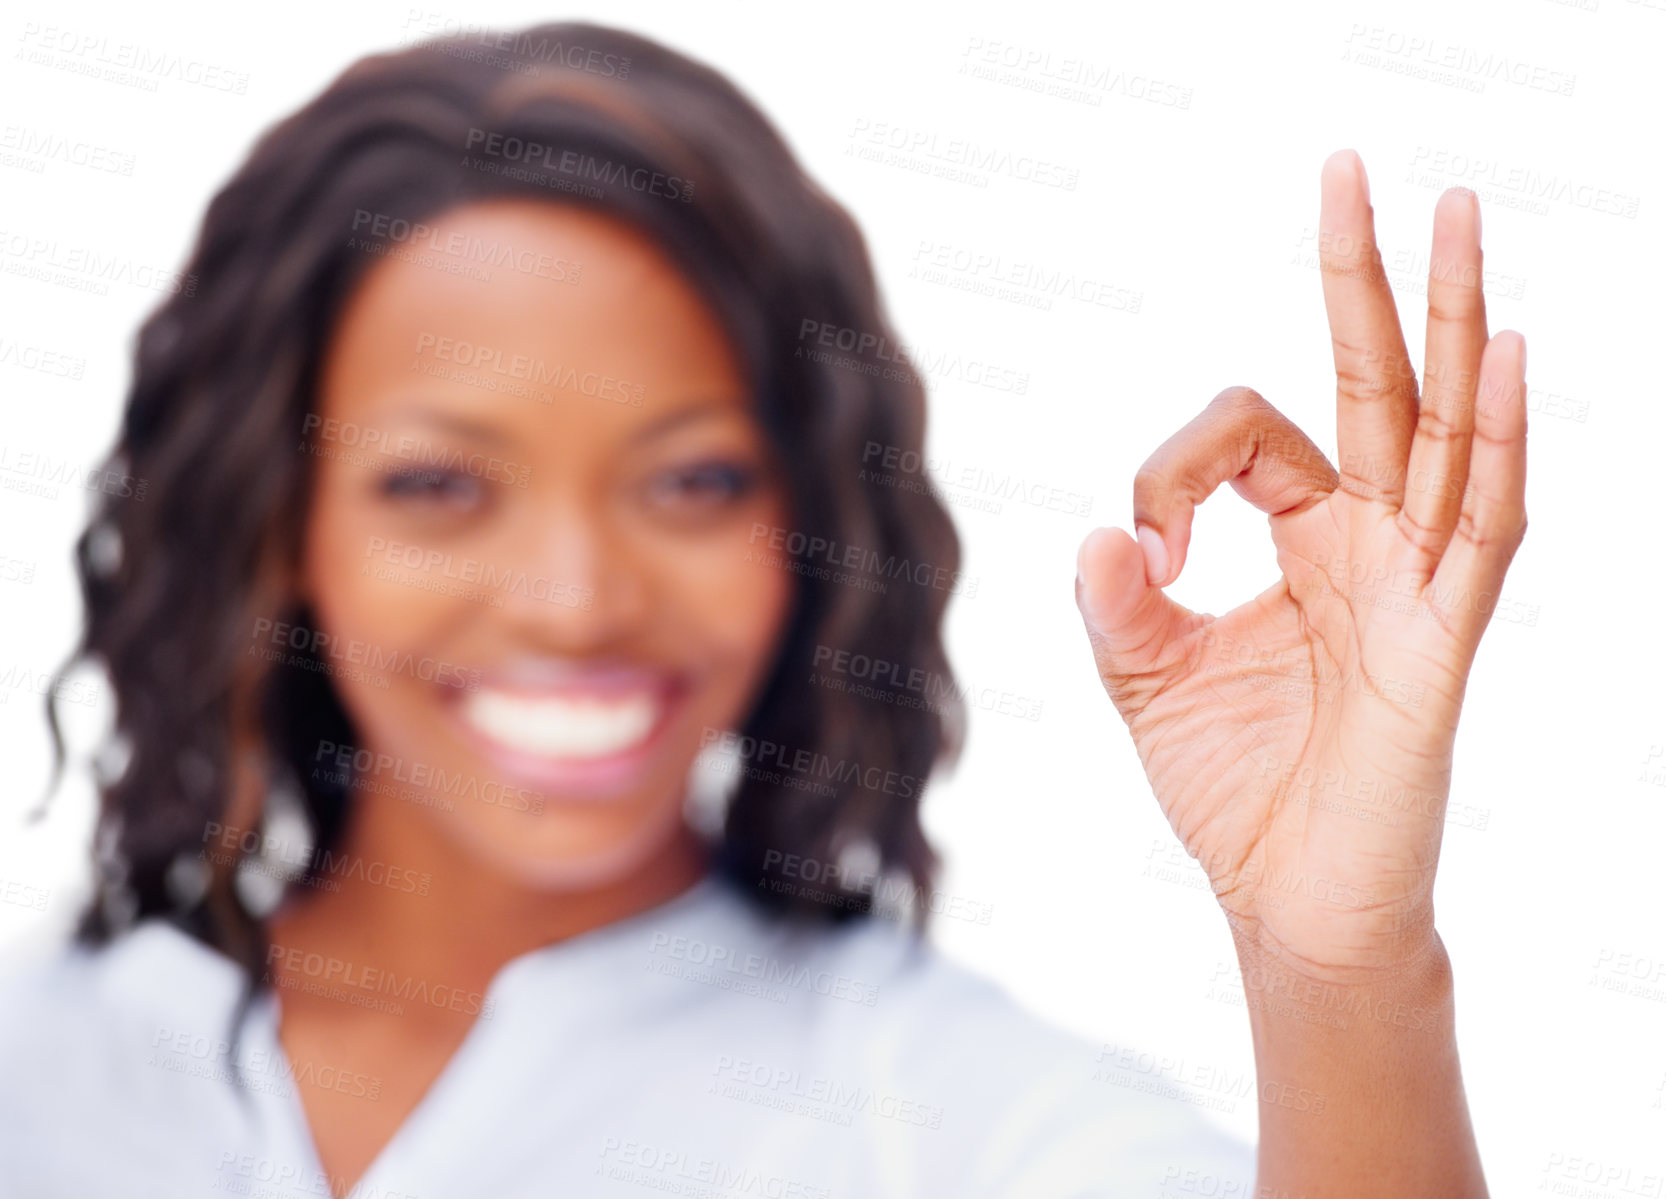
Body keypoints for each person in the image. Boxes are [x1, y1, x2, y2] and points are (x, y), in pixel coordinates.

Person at [0, 21, 1524, 1199]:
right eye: (440, 489)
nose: (577, 599)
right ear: (281, 525)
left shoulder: (944, 1122)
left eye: (690, 484)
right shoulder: (49, 1060)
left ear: (810, 527)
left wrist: (1339, 963)